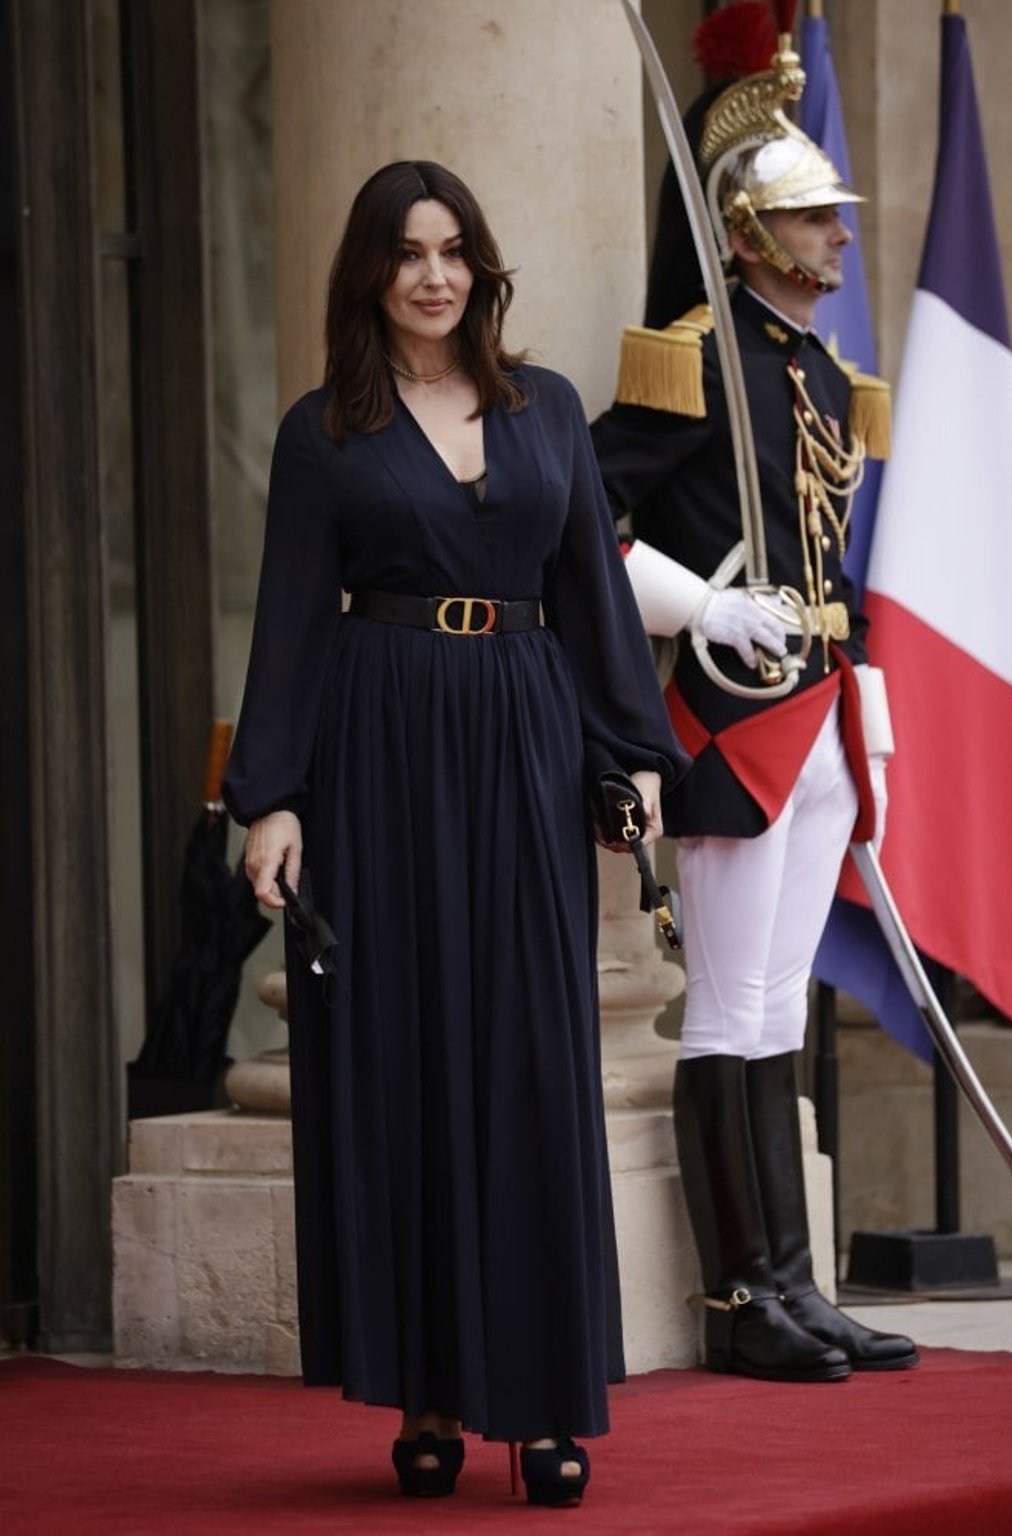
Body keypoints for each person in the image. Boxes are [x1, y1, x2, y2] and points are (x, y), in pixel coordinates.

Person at [223, 159, 687, 1505]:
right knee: (408, 1061)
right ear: (371, 273)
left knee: (532, 1063)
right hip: (379, 753)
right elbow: (294, 622)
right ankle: (425, 1391)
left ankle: (546, 1400)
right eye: (407, 253)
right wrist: (272, 797)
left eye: (454, 251)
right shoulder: (325, 432)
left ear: (483, 267)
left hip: (530, 743)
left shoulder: (546, 415)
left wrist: (632, 757)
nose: (434, 275)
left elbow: (591, 591)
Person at [591, 42, 918, 1383]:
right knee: (728, 1007)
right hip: (731, 725)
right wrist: (700, 608)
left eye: (832, 215)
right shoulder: (691, 360)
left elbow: (841, 563)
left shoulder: (827, 379)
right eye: (809, 215)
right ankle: (736, 1304)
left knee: (779, 1009)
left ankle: (792, 1285)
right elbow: (585, 529)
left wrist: (876, 731)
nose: (836, 233)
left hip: (826, 716)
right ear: (747, 229)